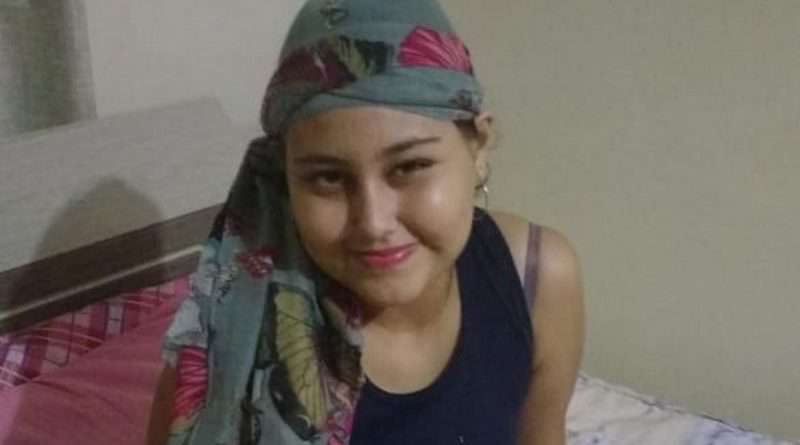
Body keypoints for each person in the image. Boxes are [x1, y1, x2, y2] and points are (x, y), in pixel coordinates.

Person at [147, 1, 584, 444]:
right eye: (329, 178)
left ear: (479, 149)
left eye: (410, 166)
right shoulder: (229, 336)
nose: (373, 223)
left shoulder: (536, 280)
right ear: (286, 180)